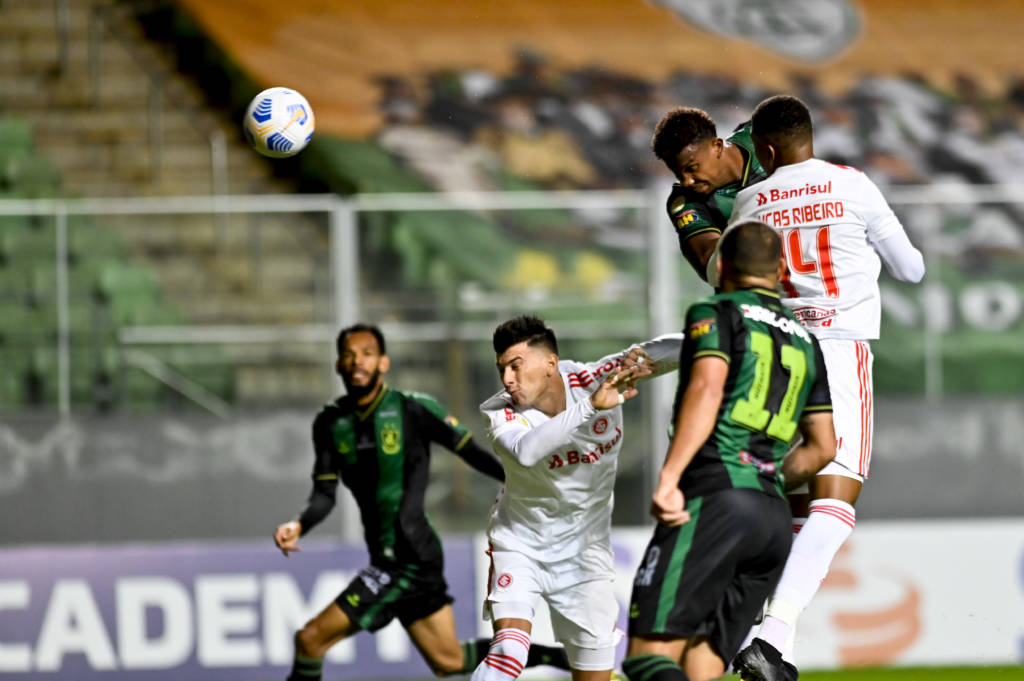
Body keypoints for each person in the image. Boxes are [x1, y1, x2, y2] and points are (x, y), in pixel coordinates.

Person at [726, 95, 926, 681]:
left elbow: (722, 277)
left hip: (772, 356)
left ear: (765, 150)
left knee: (796, 505)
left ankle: (765, 641)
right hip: (836, 350)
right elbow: (911, 269)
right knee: (836, 504)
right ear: (808, 136)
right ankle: (770, 635)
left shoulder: (750, 200)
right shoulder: (851, 185)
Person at [273, 323, 571, 681]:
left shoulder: (412, 409)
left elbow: (472, 453)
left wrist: (529, 483)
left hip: (407, 556)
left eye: (367, 354)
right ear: (338, 364)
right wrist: (299, 524)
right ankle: (561, 658)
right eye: (349, 355)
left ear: (383, 362)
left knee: (309, 640)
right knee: (447, 661)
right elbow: (324, 494)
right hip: (393, 556)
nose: (357, 362)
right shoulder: (329, 423)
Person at [621, 220, 837, 681]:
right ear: (781, 270)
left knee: (647, 654)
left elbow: (706, 388)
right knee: (702, 661)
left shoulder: (717, 311)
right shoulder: (806, 340)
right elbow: (823, 447)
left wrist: (670, 476)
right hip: (772, 517)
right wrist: (766, 476)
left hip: (715, 498)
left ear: (720, 267)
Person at [472, 316, 683, 681]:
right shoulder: (499, 410)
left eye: (515, 366)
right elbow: (525, 452)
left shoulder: (598, 378)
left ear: (550, 362)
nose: (507, 378)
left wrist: (734, 323)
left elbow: (674, 349)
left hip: (586, 555)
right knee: (509, 652)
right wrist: (591, 408)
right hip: (522, 544)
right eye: (501, 368)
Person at [652, 106, 768, 280]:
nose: (687, 182)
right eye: (678, 174)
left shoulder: (764, 136)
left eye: (692, 168)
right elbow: (710, 263)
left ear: (717, 146)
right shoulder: (686, 201)